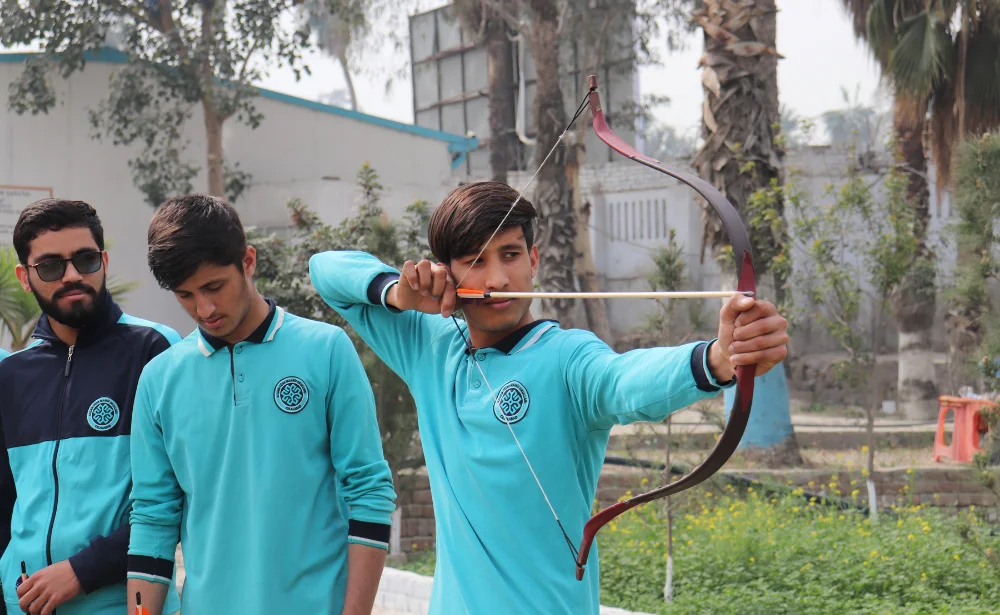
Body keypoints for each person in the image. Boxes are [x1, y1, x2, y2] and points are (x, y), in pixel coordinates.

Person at [308, 181, 790, 614]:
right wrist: (397, 292)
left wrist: (719, 358)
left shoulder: (568, 358)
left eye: (510, 255)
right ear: (447, 273)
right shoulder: (429, 347)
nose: (497, 278)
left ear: (534, 261)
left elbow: (624, 381)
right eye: (475, 260)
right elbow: (325, 269)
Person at [126, 195, 396, 615]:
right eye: (185, 295)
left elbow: (369, 490)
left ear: (248, 261)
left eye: (214, 287)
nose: (204, 309)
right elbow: (152, 518)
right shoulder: (159, 380)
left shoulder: (326, 350)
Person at [0, 199, 182, 615]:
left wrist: (81, 572)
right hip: (23, 604)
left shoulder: (155, 350)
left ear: (103, 261)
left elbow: (176, 496)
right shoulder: (11, 376)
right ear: (25, 278)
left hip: (124, 603)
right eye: (50, 266)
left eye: (85, 260)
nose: (71, 276)